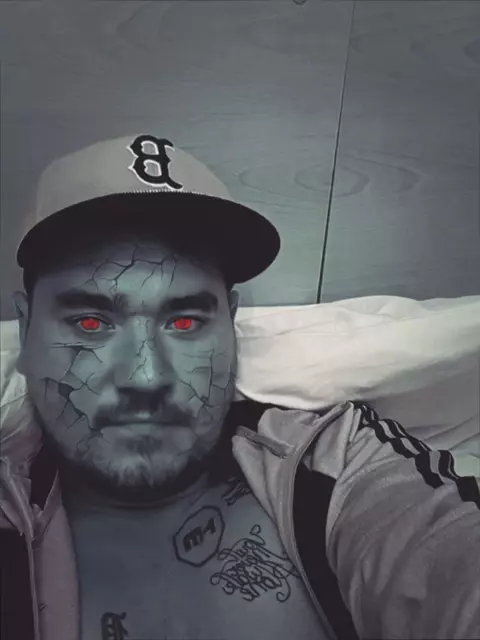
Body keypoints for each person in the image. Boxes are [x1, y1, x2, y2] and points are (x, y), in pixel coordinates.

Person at [1, 134, 479, 640]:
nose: (146, 378)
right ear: (27, 330)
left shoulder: (335, 462)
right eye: (91, 324)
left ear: (230, 323)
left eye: (185, 323)